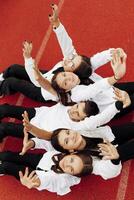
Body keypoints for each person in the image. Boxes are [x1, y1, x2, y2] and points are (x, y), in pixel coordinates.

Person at [0, 4, 125, 103]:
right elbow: (68, 44)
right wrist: (56, 23)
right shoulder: (71, 65)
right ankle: (1, 77)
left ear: (72, 73)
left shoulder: (61, 86)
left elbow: (37, 80)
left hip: (41, 90)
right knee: (14, 68)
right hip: (48, 75)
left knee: (11, 82)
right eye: (73, 58)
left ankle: (2, 89)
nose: (68, 59)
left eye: (71, 64)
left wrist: (28, 58)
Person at [0, 130, 121, 196]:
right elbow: (49, 144)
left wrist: (35, 183)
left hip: (41, 174)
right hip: (42, 160)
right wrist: (32, 143)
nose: (67, 165)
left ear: (73, 175)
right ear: (72, 154)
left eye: (71, 169)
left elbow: (46, 181)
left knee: (6, 166)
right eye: (72, 161)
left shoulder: (61, 179)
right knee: (6, 155)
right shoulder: (64, 152)